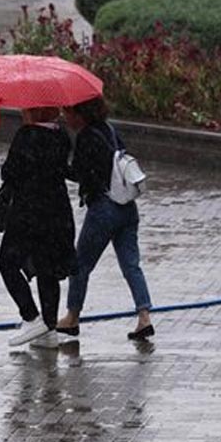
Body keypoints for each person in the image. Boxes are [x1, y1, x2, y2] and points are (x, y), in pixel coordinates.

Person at [56, 97, 154, 341]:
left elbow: (81, 174)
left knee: (80, 265)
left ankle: (72, 317)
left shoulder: (86, 137)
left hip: (103, 209)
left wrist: (58, 166)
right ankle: (144, 317)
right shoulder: (110, 131)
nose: (64, 117)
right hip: (128, 208)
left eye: (67, 111)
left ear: (79, 114)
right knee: (131, 265)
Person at [0, 107, 76, 349]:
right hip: (57, 211)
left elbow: (9, 173)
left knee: (7, 262)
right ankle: (49, 328)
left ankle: (31, 316)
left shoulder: (26, 135)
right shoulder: (61, 135)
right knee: (47, 268)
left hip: (28, 213)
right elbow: (61, 169)